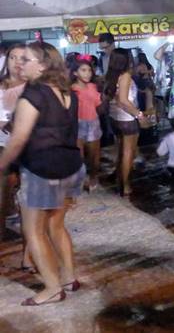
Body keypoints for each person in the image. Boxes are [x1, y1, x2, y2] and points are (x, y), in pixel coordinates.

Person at [0, 42, 84, 305]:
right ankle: (69, 278)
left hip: (42, 169)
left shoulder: (33, 95)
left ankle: (52, 288)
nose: (20, 63)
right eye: (18, 59)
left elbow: (18, 140)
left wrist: (1, 165)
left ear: (43, 65)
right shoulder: (66, 92)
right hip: (70, 165)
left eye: (26, 59)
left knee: (33, 230)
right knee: (56, 225)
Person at [104, 48, 143, 197]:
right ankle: (125, 185)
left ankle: (120, 179)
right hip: (127, 119)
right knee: (128, 152)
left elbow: (109, 97)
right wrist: (139, 114)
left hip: (115, 118)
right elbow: (124, 100)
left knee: (121, 151)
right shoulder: (125, 75)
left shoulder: (111, 75)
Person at [0, 45, 26, 243]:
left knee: (22, 188)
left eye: (22, 58)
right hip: (4, 144)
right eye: (12, 57)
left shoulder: (32, 85)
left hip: (29, 145)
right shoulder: (2, 86)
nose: (17, 62)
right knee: (4, 186)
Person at [70, 55, 102, 192]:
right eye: (83, 70)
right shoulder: (71, 89)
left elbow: (98, 105)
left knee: (94, 156)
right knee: (78, 157)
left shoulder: (93, 86)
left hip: (93, 123)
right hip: (77, 124)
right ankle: (80, 180)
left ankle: (93, 177)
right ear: (75, 73)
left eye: (89, 70)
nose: (87, 73)